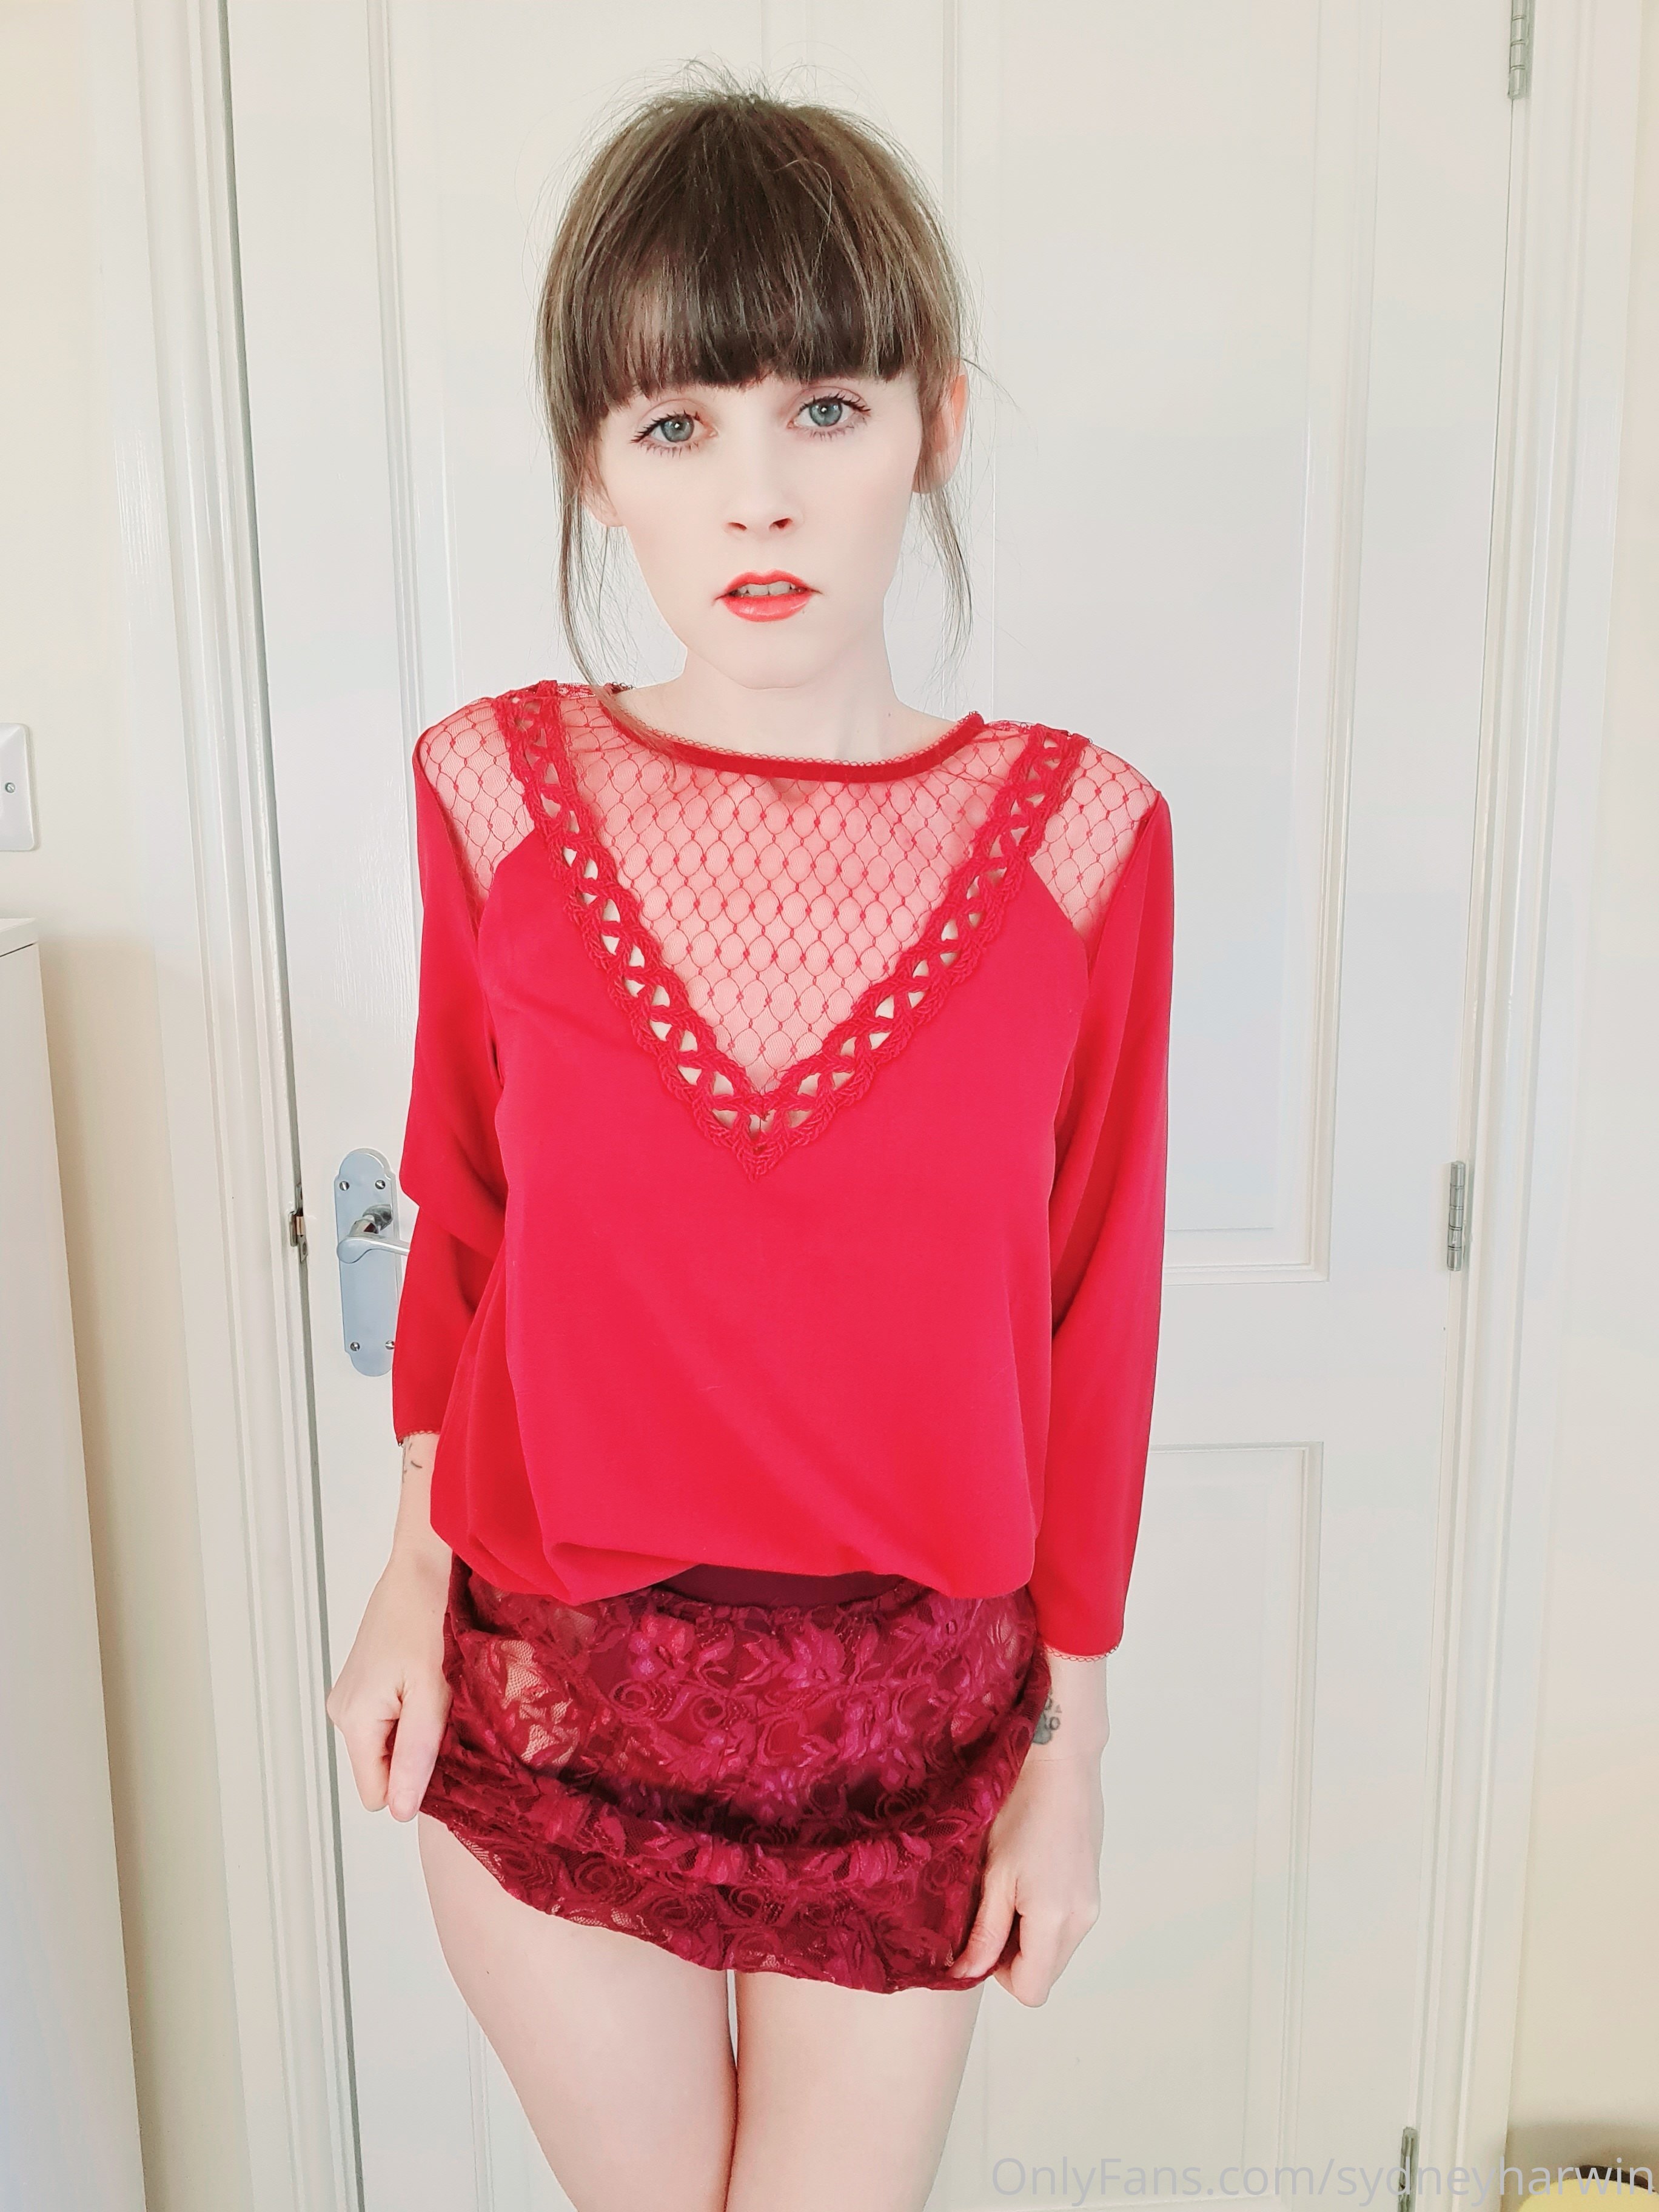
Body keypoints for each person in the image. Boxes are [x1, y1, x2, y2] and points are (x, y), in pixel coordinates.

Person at [325, 72, 1175, 2212]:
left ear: (935, 422)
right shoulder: (495, 796)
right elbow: (467, 1220)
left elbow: (1098, 1313)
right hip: (558, 1687)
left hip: (916, 1724)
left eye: (826, 409)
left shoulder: (1082, 842)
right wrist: (405, 1586)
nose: (758, 502)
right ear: (593, 463)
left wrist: (1070, 1753)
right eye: (676, 426)